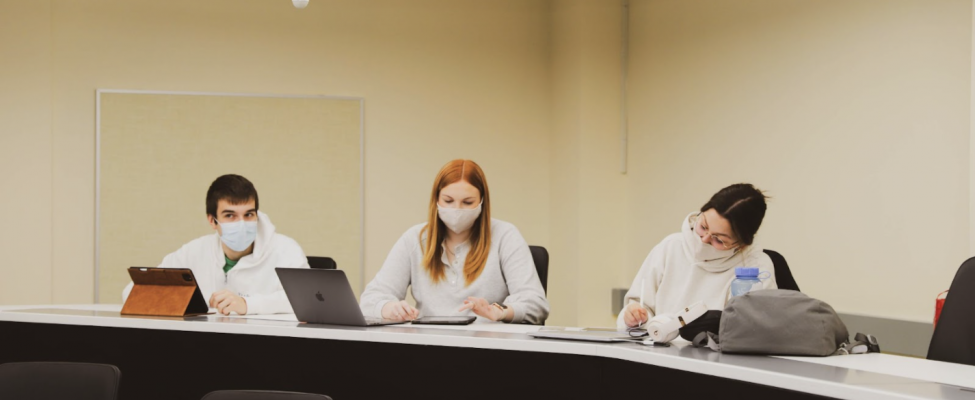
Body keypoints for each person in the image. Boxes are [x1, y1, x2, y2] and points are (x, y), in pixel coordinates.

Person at [360, 159, 549, 324]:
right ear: (436, 200)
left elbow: (536, 304)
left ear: (482, 202)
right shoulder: (414, 239)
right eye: (448, 201)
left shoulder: (505, 236)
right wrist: (389, 308)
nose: (457, 210)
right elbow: (370, 299)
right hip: (428, 347)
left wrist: (500, 312)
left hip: (488, 350)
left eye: (467, 202)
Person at [122, 174, 309, 315]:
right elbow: (133, 292)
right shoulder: (194, 251)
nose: (242, 223)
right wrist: (185, 303)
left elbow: (308, 300)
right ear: (212, 221)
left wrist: (247, 304)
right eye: (230, 216)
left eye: (249, 214)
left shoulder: (286, 250)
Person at [617, 183, 777, 330]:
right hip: (658, 352)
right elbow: (639, 305)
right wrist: (634, 316)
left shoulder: (756, 267)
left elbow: (755, 330)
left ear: (742, 244)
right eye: (703, 226)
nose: (704, 239)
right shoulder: (671, 246)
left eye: (719, 239)